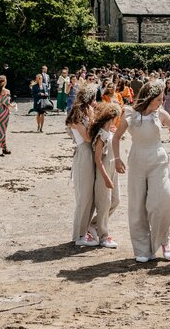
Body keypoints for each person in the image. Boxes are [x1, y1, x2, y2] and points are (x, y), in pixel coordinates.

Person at [111, 81, 170, 262]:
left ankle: (164, 239)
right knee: (137, 206)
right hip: (136, 161)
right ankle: (143, 249)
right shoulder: (130, 114)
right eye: (158, 99)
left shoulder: (161, 114)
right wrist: (117, 159)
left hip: (158, 160)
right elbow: (117, 137)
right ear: (149, 98)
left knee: (163, 200)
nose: (161, 101)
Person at [68, 85, 99, 246]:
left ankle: (85, 229)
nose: (96, 102)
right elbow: (87, 138)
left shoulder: (88, 111)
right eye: (94, 98)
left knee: (91, 196)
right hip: (84, 154)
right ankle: (79, 235)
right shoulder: (77, 115)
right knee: (84, 195)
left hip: (91, 153)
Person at [89, 102, 122, 249]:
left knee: (116, 200)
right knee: (104, 204)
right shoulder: (101, 134)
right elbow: (97, 159)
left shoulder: (110, 132)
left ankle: (94, 224)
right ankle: (103, 235)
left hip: (112, 170)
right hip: (103, 172)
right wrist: (106, 178)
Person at [0, 75, 14, 157]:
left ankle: (4, 148)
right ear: (4, 82)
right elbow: (7, 103)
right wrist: (13, 106)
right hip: (4, 112)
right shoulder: (7, 91)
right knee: (1, 131)